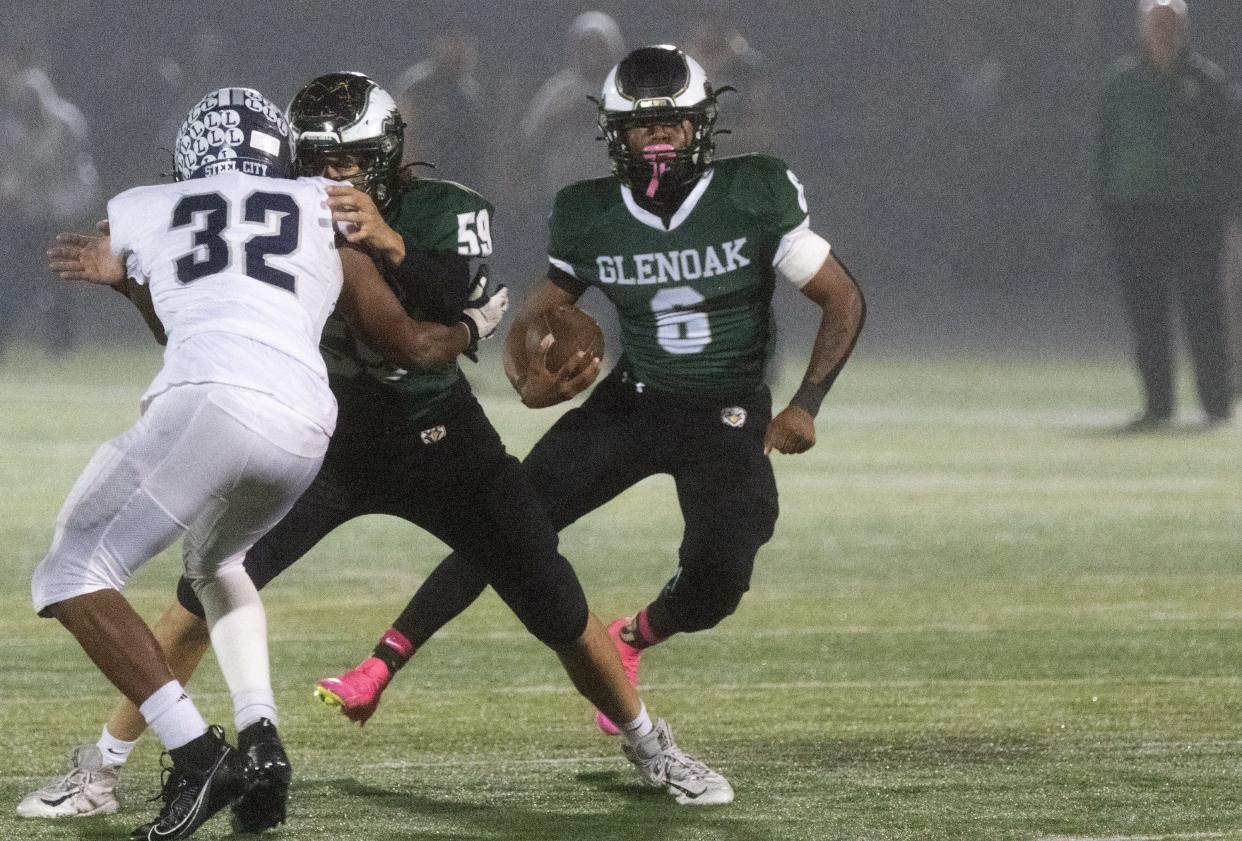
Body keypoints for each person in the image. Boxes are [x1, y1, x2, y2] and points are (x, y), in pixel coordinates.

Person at [20, 71, 733, 821]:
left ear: (388, 155)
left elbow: (457, 297)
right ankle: (103, 766)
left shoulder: (439, 210)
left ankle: (650, 742)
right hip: (326, 433)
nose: (333, 175)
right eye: (319, 160)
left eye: (351, 159)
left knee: (554, 600)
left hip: (440, 437)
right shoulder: (293, 210)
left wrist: (391, 243)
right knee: (200, 593)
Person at [320, 45, 866, 737]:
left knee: (719, 579)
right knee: (505, 520)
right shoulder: (589, 212)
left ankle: (635, 636)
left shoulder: (752, 192)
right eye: (643, 126)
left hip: (725, 414)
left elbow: (841, 297)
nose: (659, 138)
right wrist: (525, 374)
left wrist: (806, 403)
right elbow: (533, 315)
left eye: (672, 123)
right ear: (615, 133)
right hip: (634, 402)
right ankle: (380, 664)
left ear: (702, 127)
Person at [27, 85, 506, 839]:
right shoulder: (324, 203)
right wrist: (472, 326)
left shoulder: (138, 205)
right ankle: (262, 745)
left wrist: (123, 279)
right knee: (218, 562)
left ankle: (195, 756)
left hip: (213, 402)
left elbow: (172, 324)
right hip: (307, 425)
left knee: (70, 572)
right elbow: (406, 343)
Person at [1095, 0, 1240, 430]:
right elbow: (1103, 148)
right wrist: (1104, 203)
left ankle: (1217, 402)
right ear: (1143, 31)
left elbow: (1230, 147)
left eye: (1171, 26)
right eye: (1156, 26)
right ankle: (1158, 405)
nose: (1163, 35)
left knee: (1204, 308)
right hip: (1136, 211)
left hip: (1196, 212)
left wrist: (1228, 203)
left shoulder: (1207, 83)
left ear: (1184, 31)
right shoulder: (1123, 84)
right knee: (1147, 311)